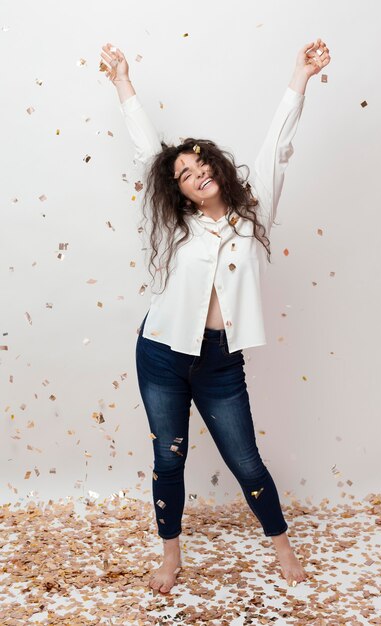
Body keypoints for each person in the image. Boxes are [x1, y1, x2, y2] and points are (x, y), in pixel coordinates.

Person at [100, 38, 331, 594]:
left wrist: (299, 77)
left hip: (220, 360)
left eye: (201, 162)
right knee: (168, 459)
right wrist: (123, 83)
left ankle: (282, 547)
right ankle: (170, 557)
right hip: (160, 353)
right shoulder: (178, 226)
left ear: (219, 168)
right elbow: (146, 151)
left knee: (246, 461)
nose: (196, 171)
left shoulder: (254, 217)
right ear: (176, 189)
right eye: (184, 171)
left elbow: (275, 146)